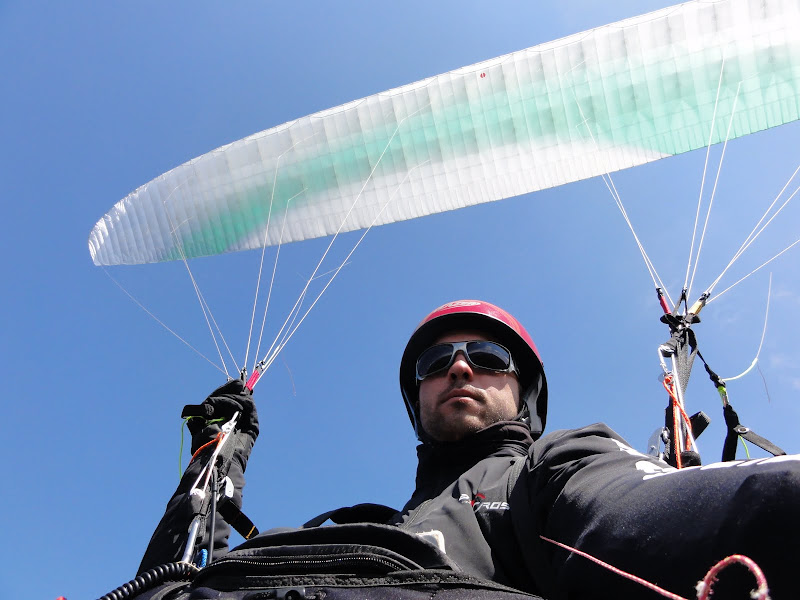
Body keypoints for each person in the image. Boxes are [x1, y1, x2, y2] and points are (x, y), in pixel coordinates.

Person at [135, 300, 799, 600]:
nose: (458, 367)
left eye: (486, 356)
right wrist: (220, 452)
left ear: (522, 389)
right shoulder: (364, 525)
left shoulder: (552, 470)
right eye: (436, 363)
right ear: (419, 396)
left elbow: (634, 512)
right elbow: (177, 570)